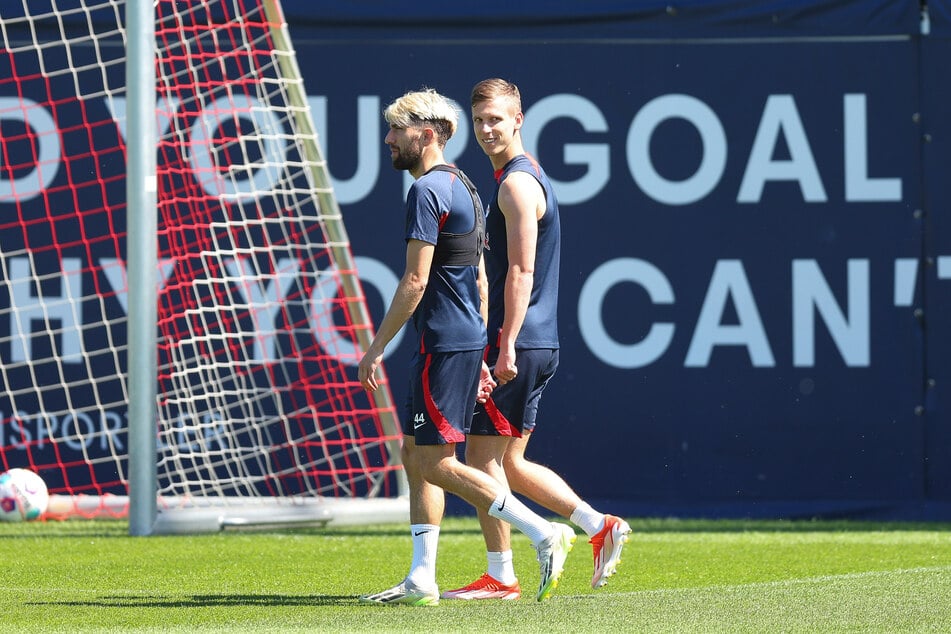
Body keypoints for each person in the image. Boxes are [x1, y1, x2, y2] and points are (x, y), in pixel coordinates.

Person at [357, 87, 575, 606]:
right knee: (418, 453)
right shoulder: (467, 187)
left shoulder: (428, 191)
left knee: (435, 461)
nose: (388, 139)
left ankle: (543, 532)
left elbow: (414, 282)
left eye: (396, 130)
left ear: (425, 134)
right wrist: (481, 342)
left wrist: (375, 347)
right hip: (462, 341)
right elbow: (480, 279)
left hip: (441, 342)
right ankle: (422, 576)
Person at [441, 78, 632, 602]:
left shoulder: (516, 186)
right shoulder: (523, 178)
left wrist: (503, 345)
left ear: (518, 119)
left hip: (519, 344)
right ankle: (599, 525)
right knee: (511, 463)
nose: (485, 130)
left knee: (479, 462)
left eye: (496, 120)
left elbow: (521, 272)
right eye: (479, 121)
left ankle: (502, 574)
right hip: (534, 342)